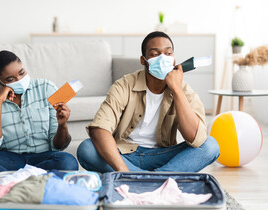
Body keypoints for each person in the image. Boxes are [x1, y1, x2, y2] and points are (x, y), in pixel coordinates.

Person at [77, 31, 220, 173]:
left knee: (210, 145)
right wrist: (122, 169)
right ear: (143, 60)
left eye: (168, 53)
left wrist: (176, 90)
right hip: (125, 154)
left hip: (163, 155)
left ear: (174, 60)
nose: (163, 59)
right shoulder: (124, 85)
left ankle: (145, 178)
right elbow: (100, 129)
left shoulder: (183, 90)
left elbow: (197, 139)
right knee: (87, 149)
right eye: (155, 54)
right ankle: (156, 178)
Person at [0, 50, 78, 186]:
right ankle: (36, 184)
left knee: (68, 162)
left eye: (21, 73)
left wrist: (62, 125)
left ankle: (7, 184)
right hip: (9, 160)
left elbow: (58, 146)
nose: (19, 80)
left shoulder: (46, 88)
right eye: (10, 79)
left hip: (43, 158)